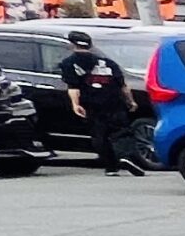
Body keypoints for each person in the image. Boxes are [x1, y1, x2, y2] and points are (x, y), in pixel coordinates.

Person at [59, 29, 143, 176]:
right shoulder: (107, 62)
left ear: (72, 45)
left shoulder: (69, 63)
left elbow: (73, 87)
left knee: (100, 134)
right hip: (114, 101)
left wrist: (76, 104)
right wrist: (131, 101)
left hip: (91, 103)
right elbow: (123, 85)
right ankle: (126, 156)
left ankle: (111, 167)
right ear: (90, 45)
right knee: (122, 131)